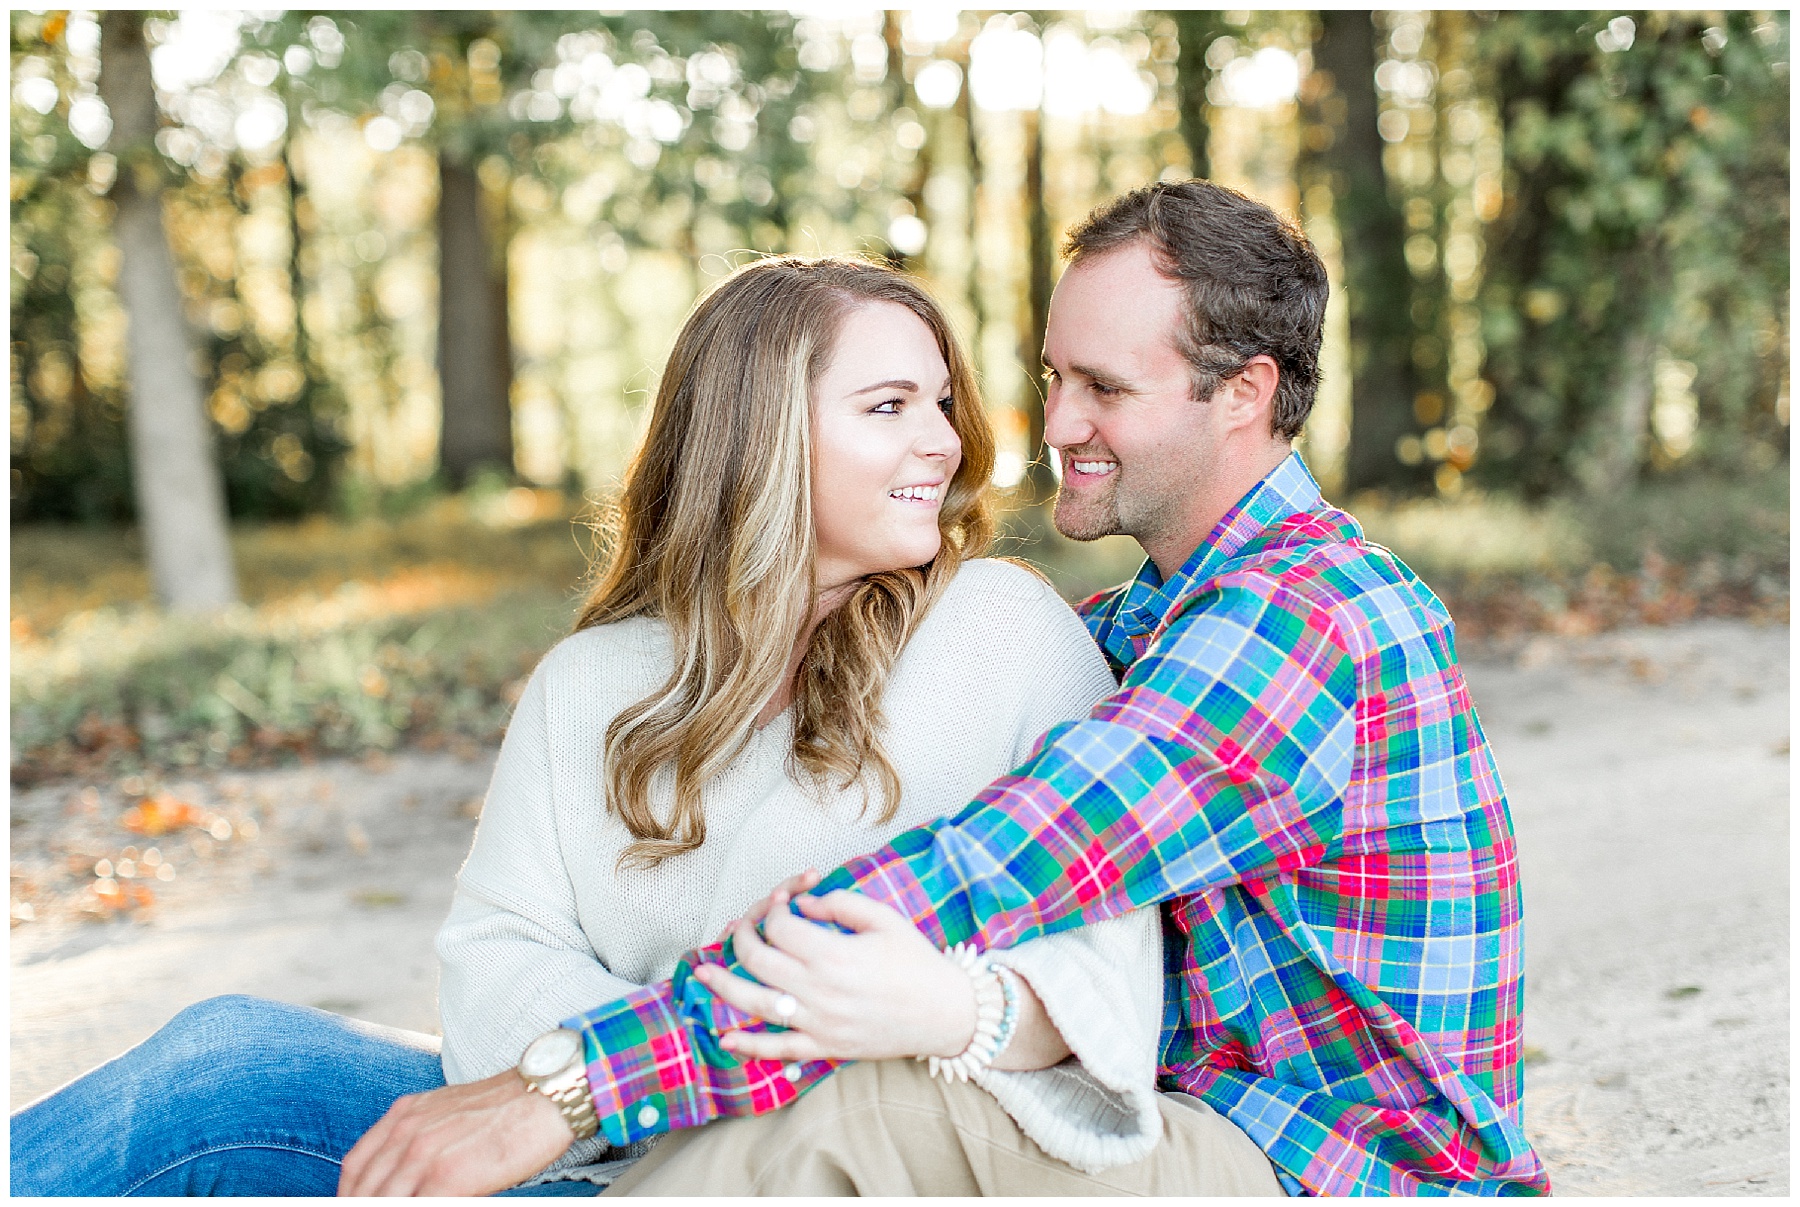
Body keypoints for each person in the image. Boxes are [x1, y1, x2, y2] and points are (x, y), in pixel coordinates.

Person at [342, 180, 1552, 1197]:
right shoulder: (1150, 621)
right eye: (1051, 376)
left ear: (1243, 393)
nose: (1049, 426)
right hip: (1200, 1122)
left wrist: (576, 1081)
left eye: (1107, 390)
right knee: (246, 1076)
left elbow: (993, 867)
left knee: (851, 1123)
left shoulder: (1304, 625)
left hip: (1332, 1168)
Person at [10, 257, 1223, 1195]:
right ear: (755, 438)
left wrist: (725, 1052)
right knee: (232, 1061)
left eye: (941, 403)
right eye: (890, 404)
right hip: (573, 1146)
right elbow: (492, 967)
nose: (943, 444)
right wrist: (614, 1090)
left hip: (827, 1166)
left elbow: (1100, 981)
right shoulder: (596, 682)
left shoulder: (1003, 634)